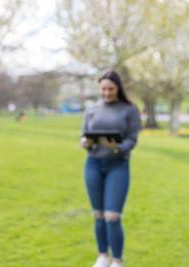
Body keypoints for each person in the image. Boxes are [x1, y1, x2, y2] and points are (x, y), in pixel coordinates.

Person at [80, 70, 140, 267]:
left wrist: (115, 147)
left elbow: (132, 139)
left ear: (118, 88)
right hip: (93, 164)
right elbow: (82, 137)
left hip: (118, 165)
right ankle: (102, 256)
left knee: (112, 216)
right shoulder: (92, 108)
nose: (106, 93)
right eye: (103, 89)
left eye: (111, 89)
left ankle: (117, 260)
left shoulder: (129, 110)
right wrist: (86, 142)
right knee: (98, 213)